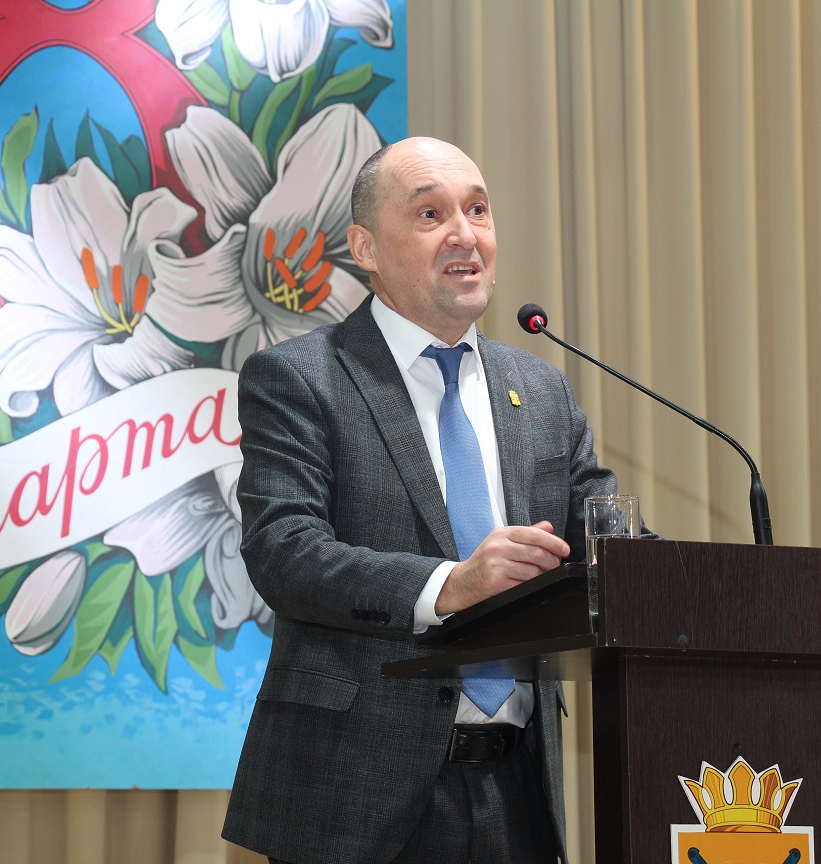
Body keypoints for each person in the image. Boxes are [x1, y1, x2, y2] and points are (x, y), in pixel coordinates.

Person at [222, 137, 618, 863]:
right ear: (365, 248)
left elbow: (608, 541)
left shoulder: (542, 390)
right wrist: (451, 585)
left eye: (478, 210)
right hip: (352, 797)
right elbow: (285, 553)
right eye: (431, 214)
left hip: (519, 795)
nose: (465, 234)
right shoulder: (301, 378)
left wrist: (665, 575)